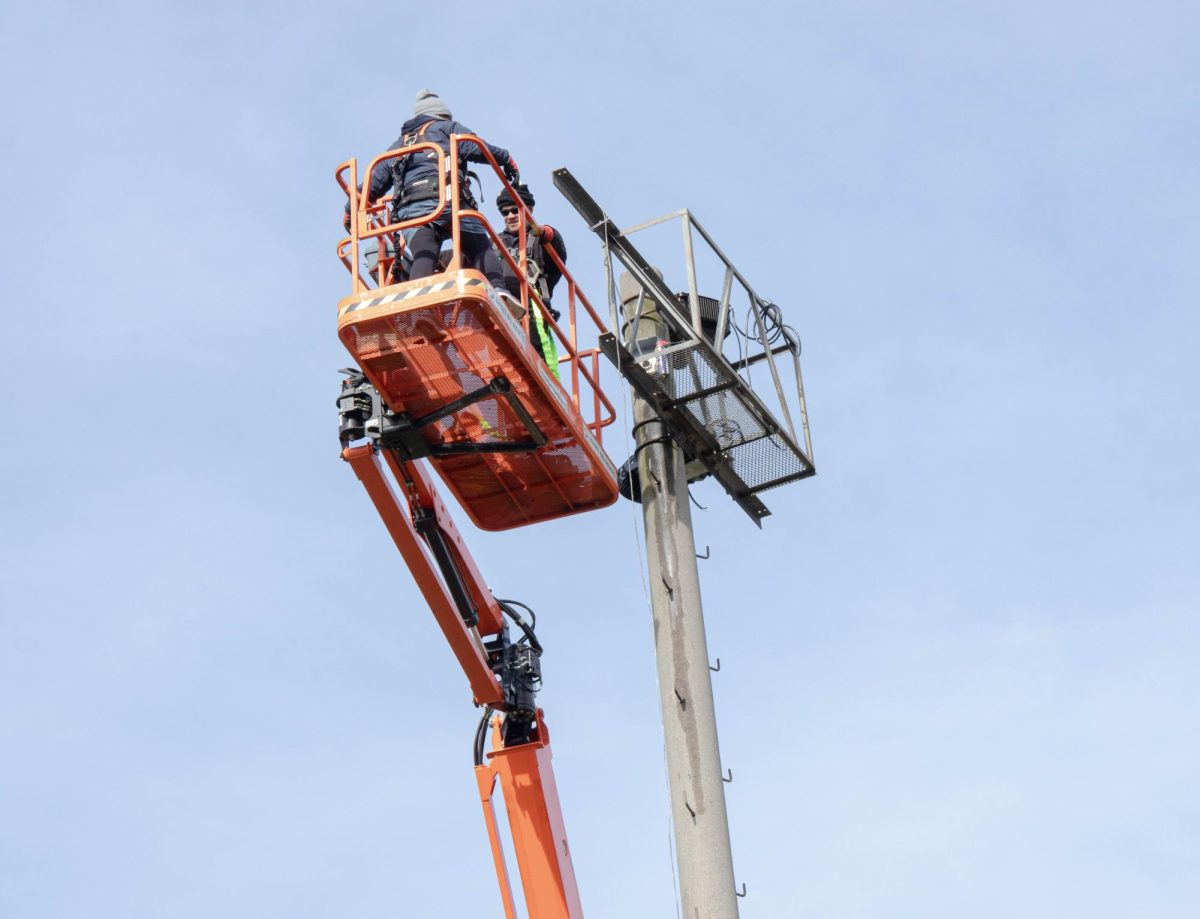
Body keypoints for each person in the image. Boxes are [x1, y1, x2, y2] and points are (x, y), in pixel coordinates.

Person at [347, 89, 519, 286]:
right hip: (449, 202)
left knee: (424, 252)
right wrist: (505, 158)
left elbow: (373, 182)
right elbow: (475, 146)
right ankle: (500, 292)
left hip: (413, 210)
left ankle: (418, 300)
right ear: (442, 114)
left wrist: (350, 209)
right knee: (480, 249)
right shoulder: (448, 128)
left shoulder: (399, 145)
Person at [496, 184, 567, 374]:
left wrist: (546, 232)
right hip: (500, 306)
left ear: (529, 209)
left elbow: (557, 248)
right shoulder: (495, 243)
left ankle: (548, 389)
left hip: (530, 307)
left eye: (514, 210)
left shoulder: (538, 240)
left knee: (538, 356)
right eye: (505, 212)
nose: (510, 216)